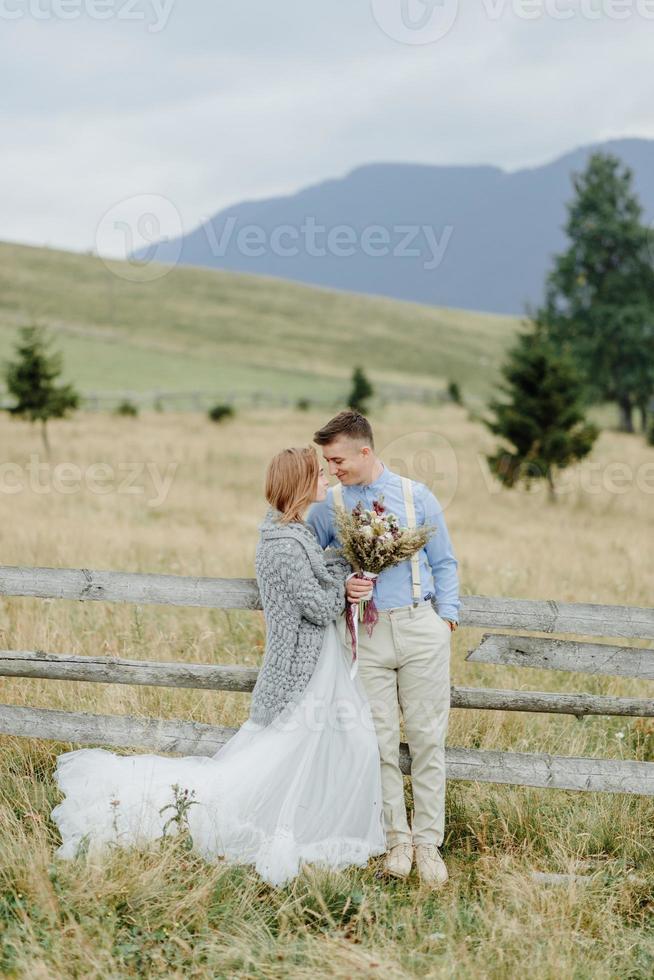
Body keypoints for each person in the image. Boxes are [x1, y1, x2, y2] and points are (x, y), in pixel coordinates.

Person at [51, 446, 385, 888]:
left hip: (316, 662)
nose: (327, 480)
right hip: (301, 667)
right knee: (292, 749)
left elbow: (316, 578)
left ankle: (308, 817)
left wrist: (342, 565)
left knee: (332, 742)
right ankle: (273, 822)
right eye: (319, 475)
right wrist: (343, 586)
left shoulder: (292, 534)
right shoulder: (284, 545)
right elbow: (319, 606)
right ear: (301, 485)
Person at [306, 411, 460, 886]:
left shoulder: (416, 497)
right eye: (327, 462)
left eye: (338, 460)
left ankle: (428, 843)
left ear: (364, 451)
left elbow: (445, 560)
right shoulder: (329, 506)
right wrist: (342, 583)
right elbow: (307, 557)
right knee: (378, 742)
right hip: (366, 636)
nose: (333, 469)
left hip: (419, 627)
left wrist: (446, 617)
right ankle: (396, 840)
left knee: (429, 737)